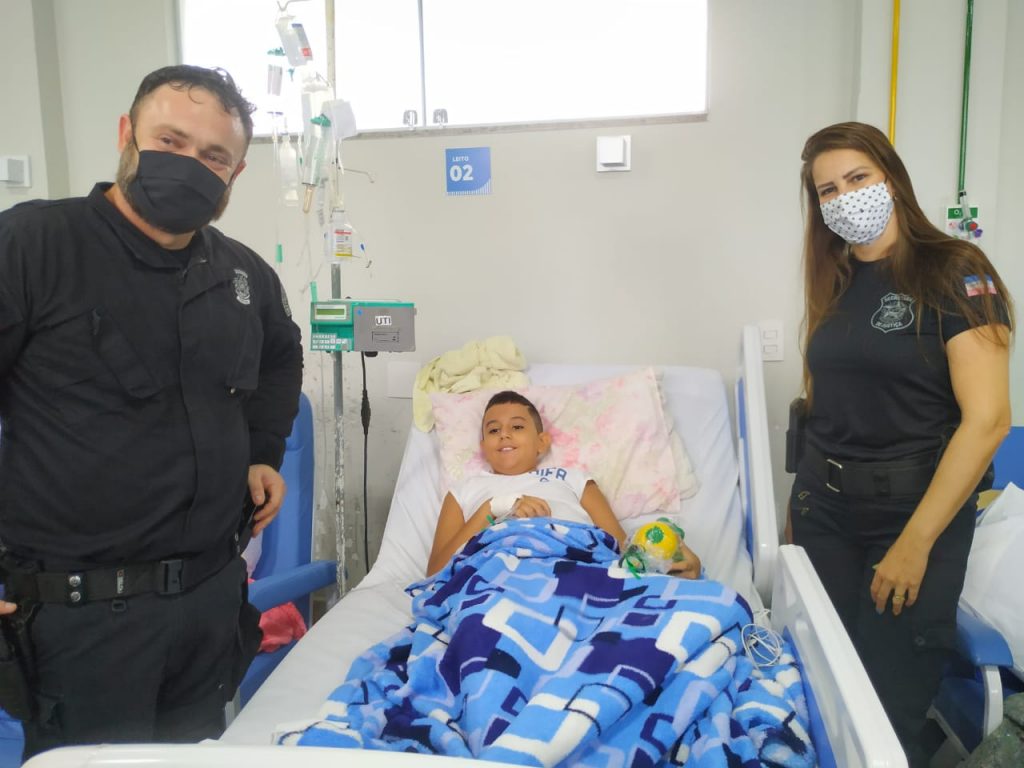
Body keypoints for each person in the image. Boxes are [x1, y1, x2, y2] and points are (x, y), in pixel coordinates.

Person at [0, 65, 303, 755]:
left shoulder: (242, 274)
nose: (190, 165)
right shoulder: (33, 246)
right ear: (126, 134)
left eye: (214, 156)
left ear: (235, 174)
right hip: (83, 623)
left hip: (208, 607)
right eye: (170, 140)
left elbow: (282, 357)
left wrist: (263, 450)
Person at [787, 121, 1013, 766]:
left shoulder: (954, 270)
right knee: (822, 686)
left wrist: (915, 543)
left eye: (857, 178)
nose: (844, 197)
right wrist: (798, 511)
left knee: (885, 708)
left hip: (911, 515)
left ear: (891, 179)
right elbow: (825, 401)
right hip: (825, 509)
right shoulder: (834, 278)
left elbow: (988, 421)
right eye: (828, 190)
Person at [426, 390, 701, 578]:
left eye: (517, 427)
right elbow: (435, 574)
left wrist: (664, 562)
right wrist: (495, 507)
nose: (504, 434)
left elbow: (619, 550)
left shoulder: (573, 479)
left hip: (578, 570)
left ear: (542, 442)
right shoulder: (464, 491)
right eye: (493, 429)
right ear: (484, 446)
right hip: (497, 575)